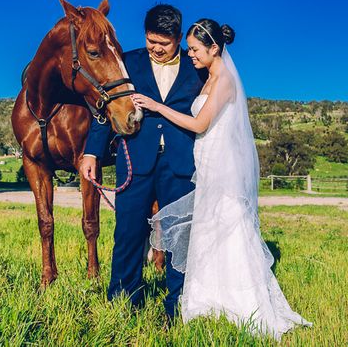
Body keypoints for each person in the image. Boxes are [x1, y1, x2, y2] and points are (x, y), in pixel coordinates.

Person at [130, 19, 311, 340]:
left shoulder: (224, 79)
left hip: (219, 168)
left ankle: (240, 302)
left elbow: (200, 124)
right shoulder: (207, 75)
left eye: (196, 50)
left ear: (214, 48)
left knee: (227, 229)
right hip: (204, 162)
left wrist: (157, 106)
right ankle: (204, 299)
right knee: (205, 230)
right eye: (189, 49)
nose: (191, 55)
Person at [80, 4, 207, 320]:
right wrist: (93, 152)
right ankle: (124, 301)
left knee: (180, 235)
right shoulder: (128, 62)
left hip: (181, 163)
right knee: (128, 232)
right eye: (152, 41)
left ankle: (177, 306)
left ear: (179, 37)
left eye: (164, 43)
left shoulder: (198, 68)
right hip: (134, 158)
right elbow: (105, 106)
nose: (157, 49)